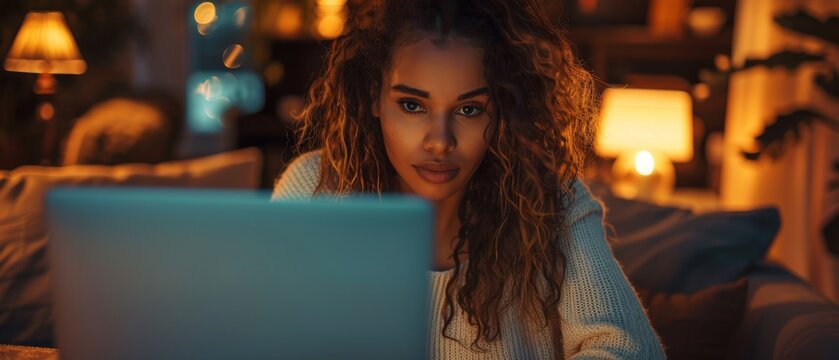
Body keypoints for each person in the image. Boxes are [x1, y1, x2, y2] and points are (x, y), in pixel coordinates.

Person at [272, 0, 665, 358]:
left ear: (503, 109)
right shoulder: (314, 190)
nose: (440, 141)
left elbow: (629, 350)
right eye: (412, 105)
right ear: (375, 96)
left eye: (469, 110)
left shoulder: (552, 204)